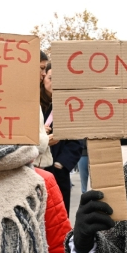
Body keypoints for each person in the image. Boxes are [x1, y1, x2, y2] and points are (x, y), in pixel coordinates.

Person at [40, 63, 82, 215]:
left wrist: (62, 164)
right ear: (44, 79)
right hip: (34, 168)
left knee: (58, 217)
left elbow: (76, 140)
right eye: (50, 78)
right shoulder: (33, 104)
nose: (53, 82)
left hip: (57, 173)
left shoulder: (69, 105)